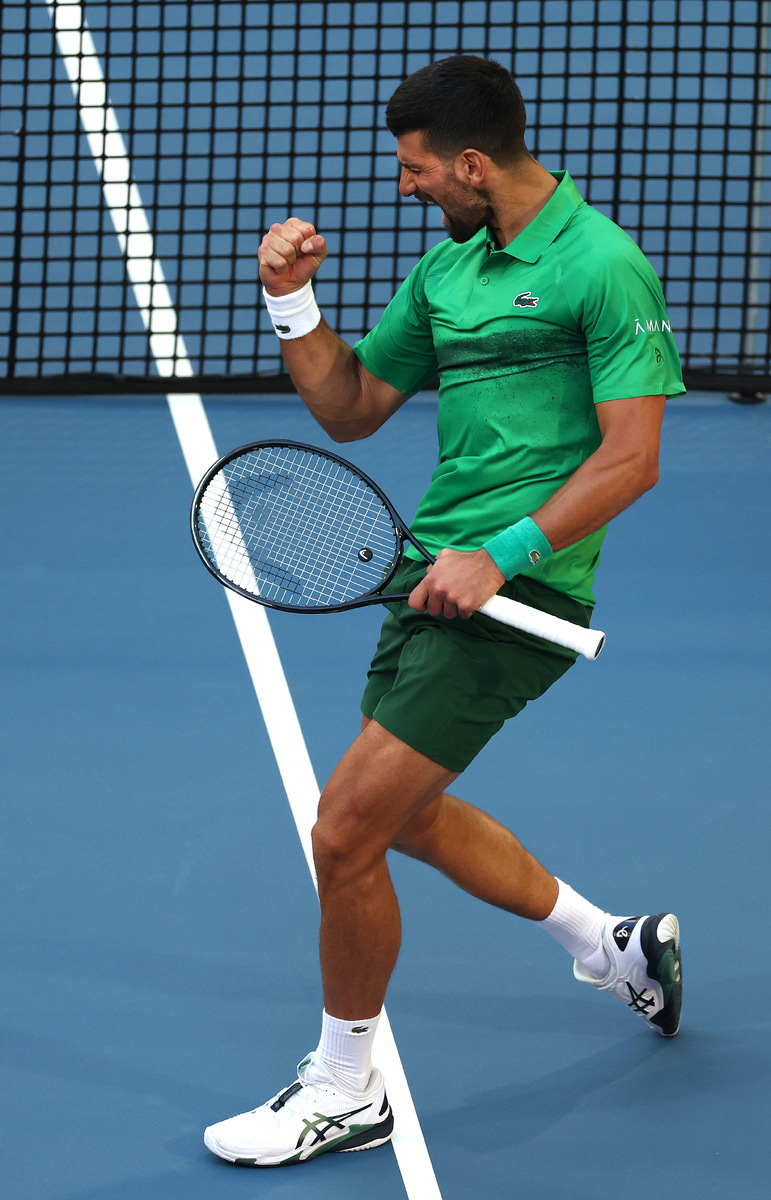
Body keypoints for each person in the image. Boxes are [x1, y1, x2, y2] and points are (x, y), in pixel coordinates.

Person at [204, 55, 685, 1168]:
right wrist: (291, 299)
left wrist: (502, 559)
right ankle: (610, 946)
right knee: (406, 818)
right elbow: (351, 407)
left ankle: (345, 1087)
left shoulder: (602, 265)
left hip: (519, 596)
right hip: (432, 578)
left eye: (417, 169)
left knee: (344, 830)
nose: (405, 186)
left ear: (472, 163)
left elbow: (633, 458)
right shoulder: (449, 269)